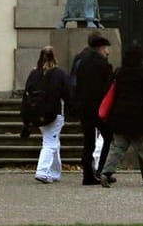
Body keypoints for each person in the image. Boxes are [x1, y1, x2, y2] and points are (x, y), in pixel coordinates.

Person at [100, 43, 143, 187]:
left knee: (117, 147)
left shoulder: (119, 72)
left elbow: (108, 90)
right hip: (138, 117)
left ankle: (106, 172)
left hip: (119, 116)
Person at [70, 33, 114, 186]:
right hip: (99, 109)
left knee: (88, 142)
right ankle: (102, 171)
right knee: (108, 137)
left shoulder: (80, 61)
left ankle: (87, 174)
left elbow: (74, 83)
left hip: (84, 108)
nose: (107, 52)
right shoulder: (103, 65)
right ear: (100, 49)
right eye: (105, 49)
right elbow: (108, 89)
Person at [28, 45, 72, 183]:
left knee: (53, 141)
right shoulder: (59, 74)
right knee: (50, 143)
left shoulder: (34, 73)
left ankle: (55, 172)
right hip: (54, 113)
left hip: (37, 113)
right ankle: (42, 171)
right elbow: (68, 94)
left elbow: (27, 93)